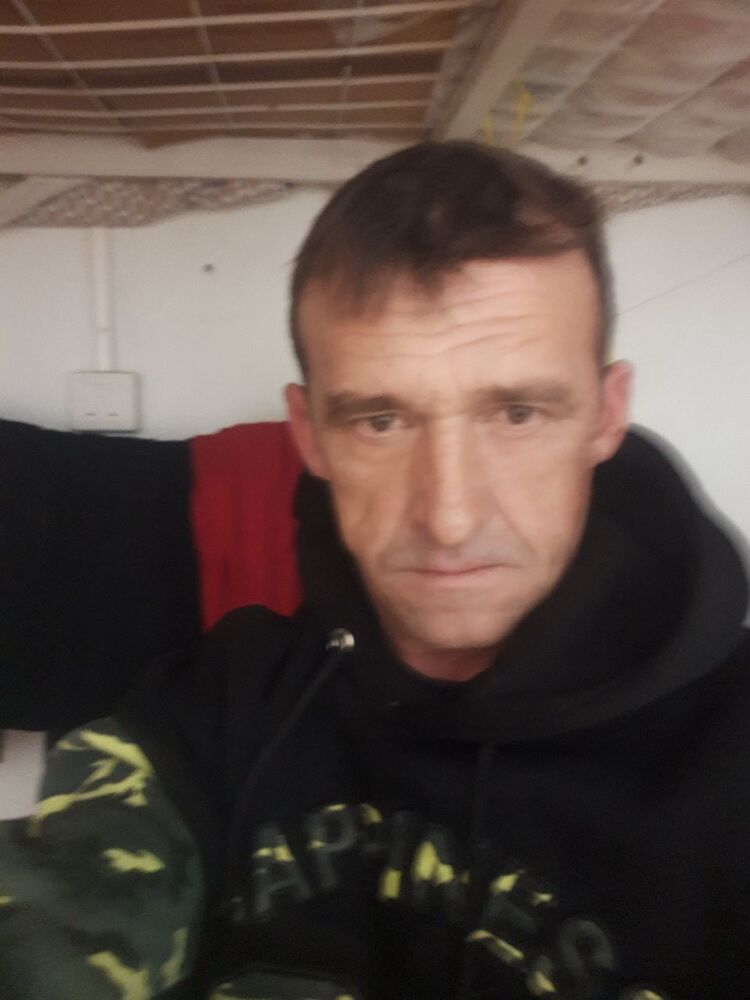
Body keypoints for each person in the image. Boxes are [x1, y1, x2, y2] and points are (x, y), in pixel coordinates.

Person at [1, 141, 748, 1000]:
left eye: (517, 412)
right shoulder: (223, 704)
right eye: (381, 422)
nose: (450, 517)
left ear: (606, 417)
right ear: (310, 435)